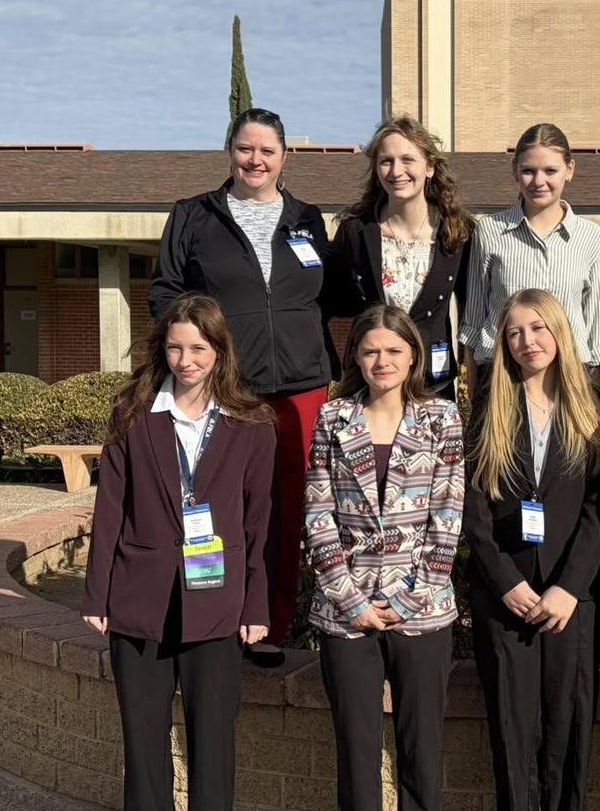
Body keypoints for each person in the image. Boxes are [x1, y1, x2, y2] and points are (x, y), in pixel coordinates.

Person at [149, 107, 336, 665]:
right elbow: (165, 294)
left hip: (303, 385)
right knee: (220, 506)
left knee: (291, 509)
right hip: (230, 389)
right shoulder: (193, 216)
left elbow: (323, 297)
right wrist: (191, 361)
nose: (256, 160)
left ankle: (271, 626)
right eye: (245, 148)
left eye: (267, 150)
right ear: (229, 151)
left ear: (285, 156)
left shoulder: (307, 218)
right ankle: (212, 618)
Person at [81, 292, 277, 811]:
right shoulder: (134, 412)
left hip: (217, 602)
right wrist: (97, 595)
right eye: (173, 348)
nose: (185, 361)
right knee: (143, 744)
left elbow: (259, 522)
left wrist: (257, 605)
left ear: (219, 350)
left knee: (213, 742)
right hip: (139, 597)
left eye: (198, 348)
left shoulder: (252, 422)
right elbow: (109, 509)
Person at [304, 303, 467, 811]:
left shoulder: (441, 417)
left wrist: (413, 599)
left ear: (413, 354)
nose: (382, 361)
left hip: (422, 610)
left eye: (394, 350)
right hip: (345, 612)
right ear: (355, 355)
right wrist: (350, 600)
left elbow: (448, 515)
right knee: (356, 751)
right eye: (371, 350)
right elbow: (317, 512)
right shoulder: (334, 417)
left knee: (421, 749)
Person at [463, 288, 600, 811]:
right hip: (507, 597)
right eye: (514, 332)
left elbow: (599, 508)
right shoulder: (489, 407)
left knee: (568, 732)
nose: (528, 341)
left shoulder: (595, 406)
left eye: (538, 328)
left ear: (559, 333)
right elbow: (473, 511)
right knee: (513, 731)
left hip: (572, 600)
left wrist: (570, 587)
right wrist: (505, 583)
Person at [331, 115, 476, 399]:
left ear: (430, 167)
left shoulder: (458, 231)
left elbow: (472, 312)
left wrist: (472, 375)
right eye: (386, 161)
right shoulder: (357, 231)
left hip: (432, 382)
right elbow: (330, 302)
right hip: (373, 379)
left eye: (408, 159)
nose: (397, 171)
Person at [462, 123, 600, 394]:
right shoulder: (490, 231)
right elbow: (474, 321)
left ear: (570, 170)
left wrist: (592, 396)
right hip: (503, 378)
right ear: (515, 172)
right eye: (528, 171)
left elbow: (594, 328)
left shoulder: (590, 237)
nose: (539, 181)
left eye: (550, 170)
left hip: (569, 379)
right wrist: (474, 394)